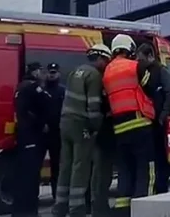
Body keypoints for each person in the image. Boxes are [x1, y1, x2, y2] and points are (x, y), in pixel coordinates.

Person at [103, 34, 159, 213]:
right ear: (130, 49)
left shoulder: (107, 72)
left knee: (125, 171)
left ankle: (123, 211)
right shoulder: (135, 66)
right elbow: (150, 86)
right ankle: (145, 210)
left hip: (119, 130)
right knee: (145, 169)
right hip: (140, 124)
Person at [54, 44, 111, 217]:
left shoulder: (74, 72)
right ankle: (76, 208)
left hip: (65, 124)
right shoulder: (94, 75)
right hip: (81, 126)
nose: (107, 65)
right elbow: (93, 107)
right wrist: (96, 127)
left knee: (65, 166)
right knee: (80, 166)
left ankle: (59, 207)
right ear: (100, 58)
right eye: (106, 61)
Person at [13, 62, 51, 217]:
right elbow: (46, 100)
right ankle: (29, 211)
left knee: (23, 174)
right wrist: (42, 123)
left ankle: (20, 210)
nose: (42, 74)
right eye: (40, 71)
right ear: (35, 72)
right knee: (32, 175)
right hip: (32, 136)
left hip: (23, 135)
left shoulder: (20, 86)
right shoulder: (33, 87)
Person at [136, 42, 170, 194]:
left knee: (160, 155)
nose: (139, 62)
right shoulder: (143, 72)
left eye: (141, 59)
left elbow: (169, 94)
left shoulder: (161, 71)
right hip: (147, 121)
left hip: (158, 121)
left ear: (150, 56)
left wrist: (163, 115)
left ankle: (161, 187)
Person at [45, 63, 65, 203]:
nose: (52, 75)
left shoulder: (62, 91)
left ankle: (57, 195)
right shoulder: (42, 90)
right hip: (43, 133)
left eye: (54, 72)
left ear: (58, 74)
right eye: (50, 72)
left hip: (58, 133)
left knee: (57, 165)